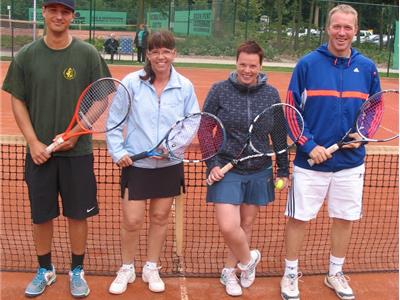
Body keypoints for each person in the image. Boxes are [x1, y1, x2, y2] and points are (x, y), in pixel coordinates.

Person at [1, 0, 111, 298]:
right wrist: (33, 142)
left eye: (65, 11)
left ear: (72, 16)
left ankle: (77, 270)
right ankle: (45, 269)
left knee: (78, 215)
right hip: (40, 155)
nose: (59, 16)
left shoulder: (87, 54)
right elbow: (17, 99)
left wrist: (78, 130)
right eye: (54, 10)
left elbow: (102, 95)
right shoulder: (26, 56)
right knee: (42, 216)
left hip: (77, 154)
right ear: (45, 14)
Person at [280, 4, 381, 300]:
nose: (342, 32)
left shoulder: (368, 68)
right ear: (327, 28)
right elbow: (290, 111)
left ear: (356, 31)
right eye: (337, 26)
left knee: (344, 219)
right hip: (310, 164)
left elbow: (374, 109)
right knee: (299, 218)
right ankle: (290, 273)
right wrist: (310, 145)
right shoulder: (307, 64)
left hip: (350, 163)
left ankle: (335, 272)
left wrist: (363, 136)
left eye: (348, 27)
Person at [106, 30, 199, 294]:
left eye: (166, 51)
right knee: (132, 220)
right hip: (137, 165)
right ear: (147, 54)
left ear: (174, 54)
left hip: (169, 164)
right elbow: (114, 122)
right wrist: (118, 152)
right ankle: (126, 267)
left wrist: (172, 148)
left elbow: (192, 122)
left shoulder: (185, 86)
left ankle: (151, 266)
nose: (161, 56)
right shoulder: (132, 83)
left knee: (159, 217)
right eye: (155, 51)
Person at [203, 40, 289, 297]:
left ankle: (231, 270)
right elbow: (205, 127)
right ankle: (249, 260)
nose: (247, 70)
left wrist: (283, 170)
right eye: (243, 64)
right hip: (227, 168)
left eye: (253, 66)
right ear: (236, 63)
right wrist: (212, 163)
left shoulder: (271, 94)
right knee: (230, 226)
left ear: (261, 66)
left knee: (246, 224)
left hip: (259, 168)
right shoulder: (219, 90)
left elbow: (278, 132)